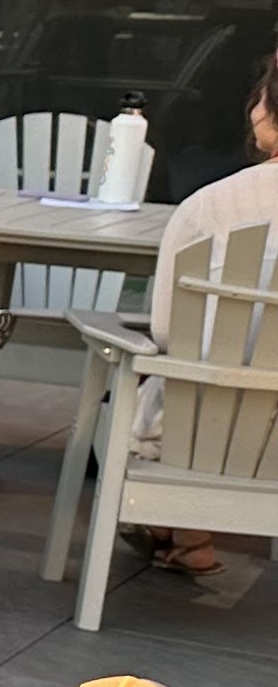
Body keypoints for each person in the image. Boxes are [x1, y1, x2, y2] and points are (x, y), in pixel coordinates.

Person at [122, 44, 278, 576]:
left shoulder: (213, 206)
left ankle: (179, 528)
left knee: (154, 382)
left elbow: (167, 330)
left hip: (199, 428)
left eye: (262, 94)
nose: (254, 107)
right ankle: (185, 535)